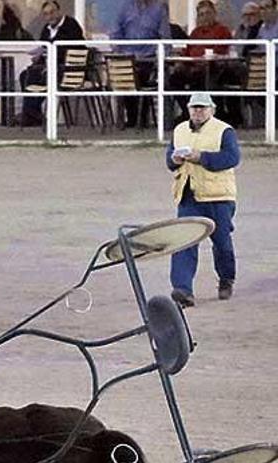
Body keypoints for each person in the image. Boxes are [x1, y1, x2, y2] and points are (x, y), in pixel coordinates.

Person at [165, 93, 240, 308]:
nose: (198, 112)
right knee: (184, 242)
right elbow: (169, 159)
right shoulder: (179, 130)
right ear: (188, 109)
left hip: (218, 197)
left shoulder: (224, 131)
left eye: (202, 108)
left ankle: (226, 279)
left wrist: (202, 158)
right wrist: (174, 159)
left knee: (222, 243)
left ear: (212, 110)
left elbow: (232, 158)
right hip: (188, 194)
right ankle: (183, 289)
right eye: (194, 108)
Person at [18, 1, 84, 126]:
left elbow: (71, 48)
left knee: (40, 77)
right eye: (46, 14)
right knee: (25, 75)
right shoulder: (46, 29)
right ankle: (34, 115)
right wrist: (38, 57)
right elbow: (44, 47)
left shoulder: (71, 25)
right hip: (49, 67)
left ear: (59, 11)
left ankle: (31, 115)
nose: (50, 17)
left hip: (67, 69)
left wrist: (47, 53)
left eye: (52, 12)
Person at [167, 1, 233, 122]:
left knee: (204, 78)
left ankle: (209, 115)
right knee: (173, 79)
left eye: (208, 13)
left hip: (214, 68)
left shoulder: (222, 30)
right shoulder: (195, 33)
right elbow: (187, 52)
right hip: (193, 68)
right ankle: (188, 112)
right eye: (201, 14)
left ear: (214, 14)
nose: (205, 17)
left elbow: (222, 51)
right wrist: (180, 62)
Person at [110, 0, 170, 128]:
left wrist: (162, 57)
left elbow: (165, 36)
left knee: (142, 76)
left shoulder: (159, 9)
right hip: (127, 56)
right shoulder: (124, 7)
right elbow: (115, 33)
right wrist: (118, 53)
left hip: (148, 57)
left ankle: (141, 119)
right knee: (125, 74)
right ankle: (131, 118)